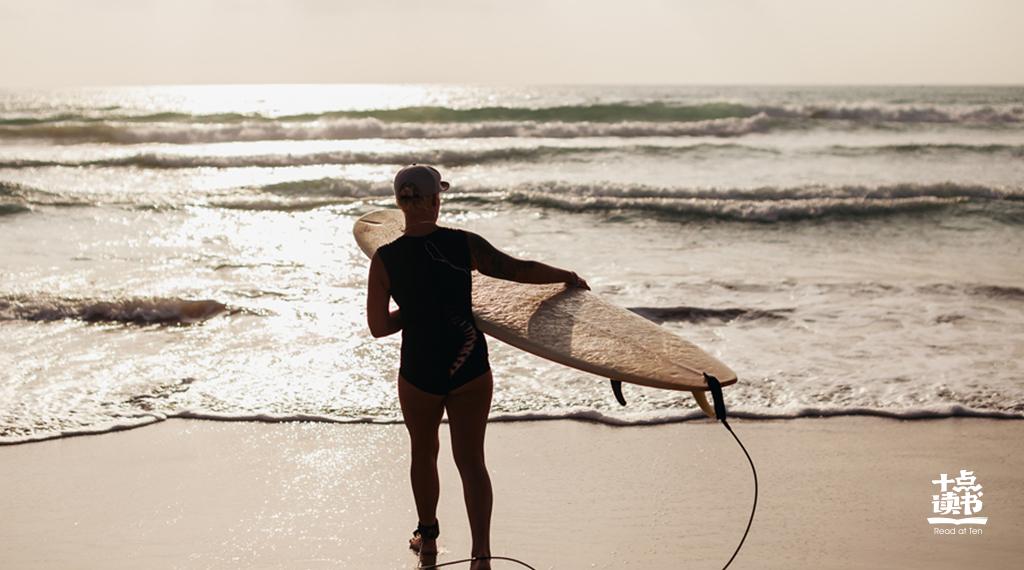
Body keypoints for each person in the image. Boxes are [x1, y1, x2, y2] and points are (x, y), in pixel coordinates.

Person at [365, 165, 589, 569]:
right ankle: (481, 553)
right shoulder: (463, 245)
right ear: (436, 200)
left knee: (423, 453)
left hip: (420, 371)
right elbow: (517, 269)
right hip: (469, 366)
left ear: (400, 204)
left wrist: (413, 312)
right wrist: (566, 277)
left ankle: (428, 541)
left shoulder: (384, 259)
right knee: (471, 462)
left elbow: (379, 327)